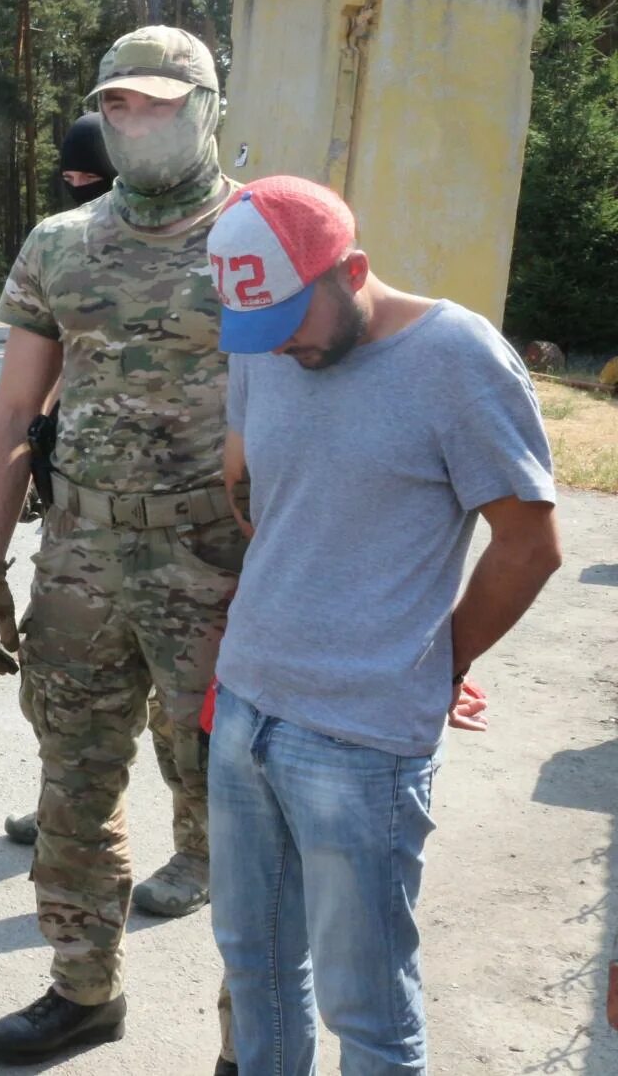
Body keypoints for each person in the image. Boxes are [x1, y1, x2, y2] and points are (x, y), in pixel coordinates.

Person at [205, 175, 560, 1076]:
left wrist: (442, 658)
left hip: (363, 739)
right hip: (245, 705)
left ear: (352, 269)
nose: (277, 348)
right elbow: (245, 478)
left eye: (291, 322)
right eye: (257, 330)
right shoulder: (265, 337)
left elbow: (528, 545)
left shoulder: (458, 358)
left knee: (364, 1008)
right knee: (255, 967)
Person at [0, 26, 247, 1065]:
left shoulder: (255, 235)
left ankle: (245, 1027)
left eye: (160, 103)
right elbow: (10, 410)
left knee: (231, 803)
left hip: (217, 568)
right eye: (118, 105)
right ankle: (82, 988)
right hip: (79, 562)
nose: (136, 122)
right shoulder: (60, 242)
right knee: (71, 786)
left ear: (208, 108)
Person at [5, 111, 195, 873]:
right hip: (87, 522)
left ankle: (200, 851)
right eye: (71, 180)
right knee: (71, 705)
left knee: (182, 722)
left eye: (91, 178)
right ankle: (74, 799)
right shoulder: (68, 241)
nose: (78, 189)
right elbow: (44, 381)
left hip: (187, 533)